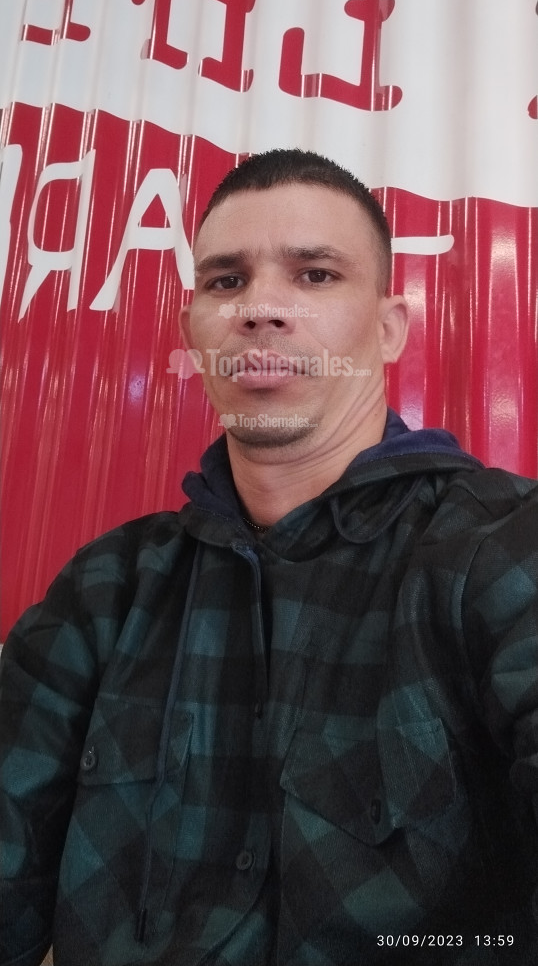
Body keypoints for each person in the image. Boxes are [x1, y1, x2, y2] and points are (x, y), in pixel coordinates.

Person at [1, 148, 538, 966]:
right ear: (193, 331)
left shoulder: (503, 547)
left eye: (315, 275)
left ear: (388, 328)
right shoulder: (106, 589)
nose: (260, 309)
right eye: (227, 281)